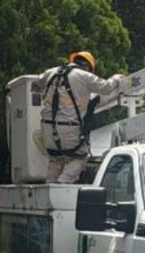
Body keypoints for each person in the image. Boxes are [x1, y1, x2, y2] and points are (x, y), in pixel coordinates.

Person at [39, 51, 125, 183]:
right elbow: (106, 88)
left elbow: (39, 82)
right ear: (88, 67)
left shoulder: (51, 72)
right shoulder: (84, 76)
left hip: (47, 128)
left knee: (56, 160)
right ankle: (62, 184)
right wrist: (117, 78)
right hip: (68, 128)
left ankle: (48, 191)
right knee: (80, 157)